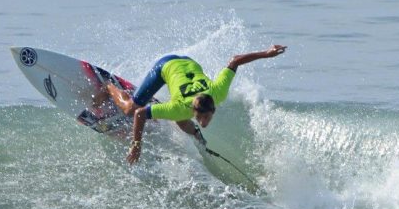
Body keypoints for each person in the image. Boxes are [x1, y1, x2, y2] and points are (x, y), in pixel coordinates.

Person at [96, 45, 287, 164]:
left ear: (213, 109)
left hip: (188, 63)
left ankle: (192, 132)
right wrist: (136, 144)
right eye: (200, 118)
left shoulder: (218, 93)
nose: (203, 122)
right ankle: (109, 87)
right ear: (193, 109)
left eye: (205, 118)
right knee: (131, 109)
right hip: (166, 66)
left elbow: (235, 61)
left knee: (179, 118)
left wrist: (267, 54)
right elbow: (140, 116)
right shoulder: (180, 107)